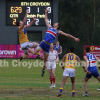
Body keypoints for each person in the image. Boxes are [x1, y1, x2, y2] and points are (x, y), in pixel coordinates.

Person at [28, 8, 80, 77]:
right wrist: (46, 12)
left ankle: (43, 70)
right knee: (34, 53)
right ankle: (27, 47)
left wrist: (74, 38)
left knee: (45, 60)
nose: (54, 23)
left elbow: (67, 35)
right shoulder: (50, 27)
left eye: (56, 23)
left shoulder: (58, 32)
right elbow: (46, 20)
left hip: (48, 46)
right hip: (43, 43)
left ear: (57, 26)